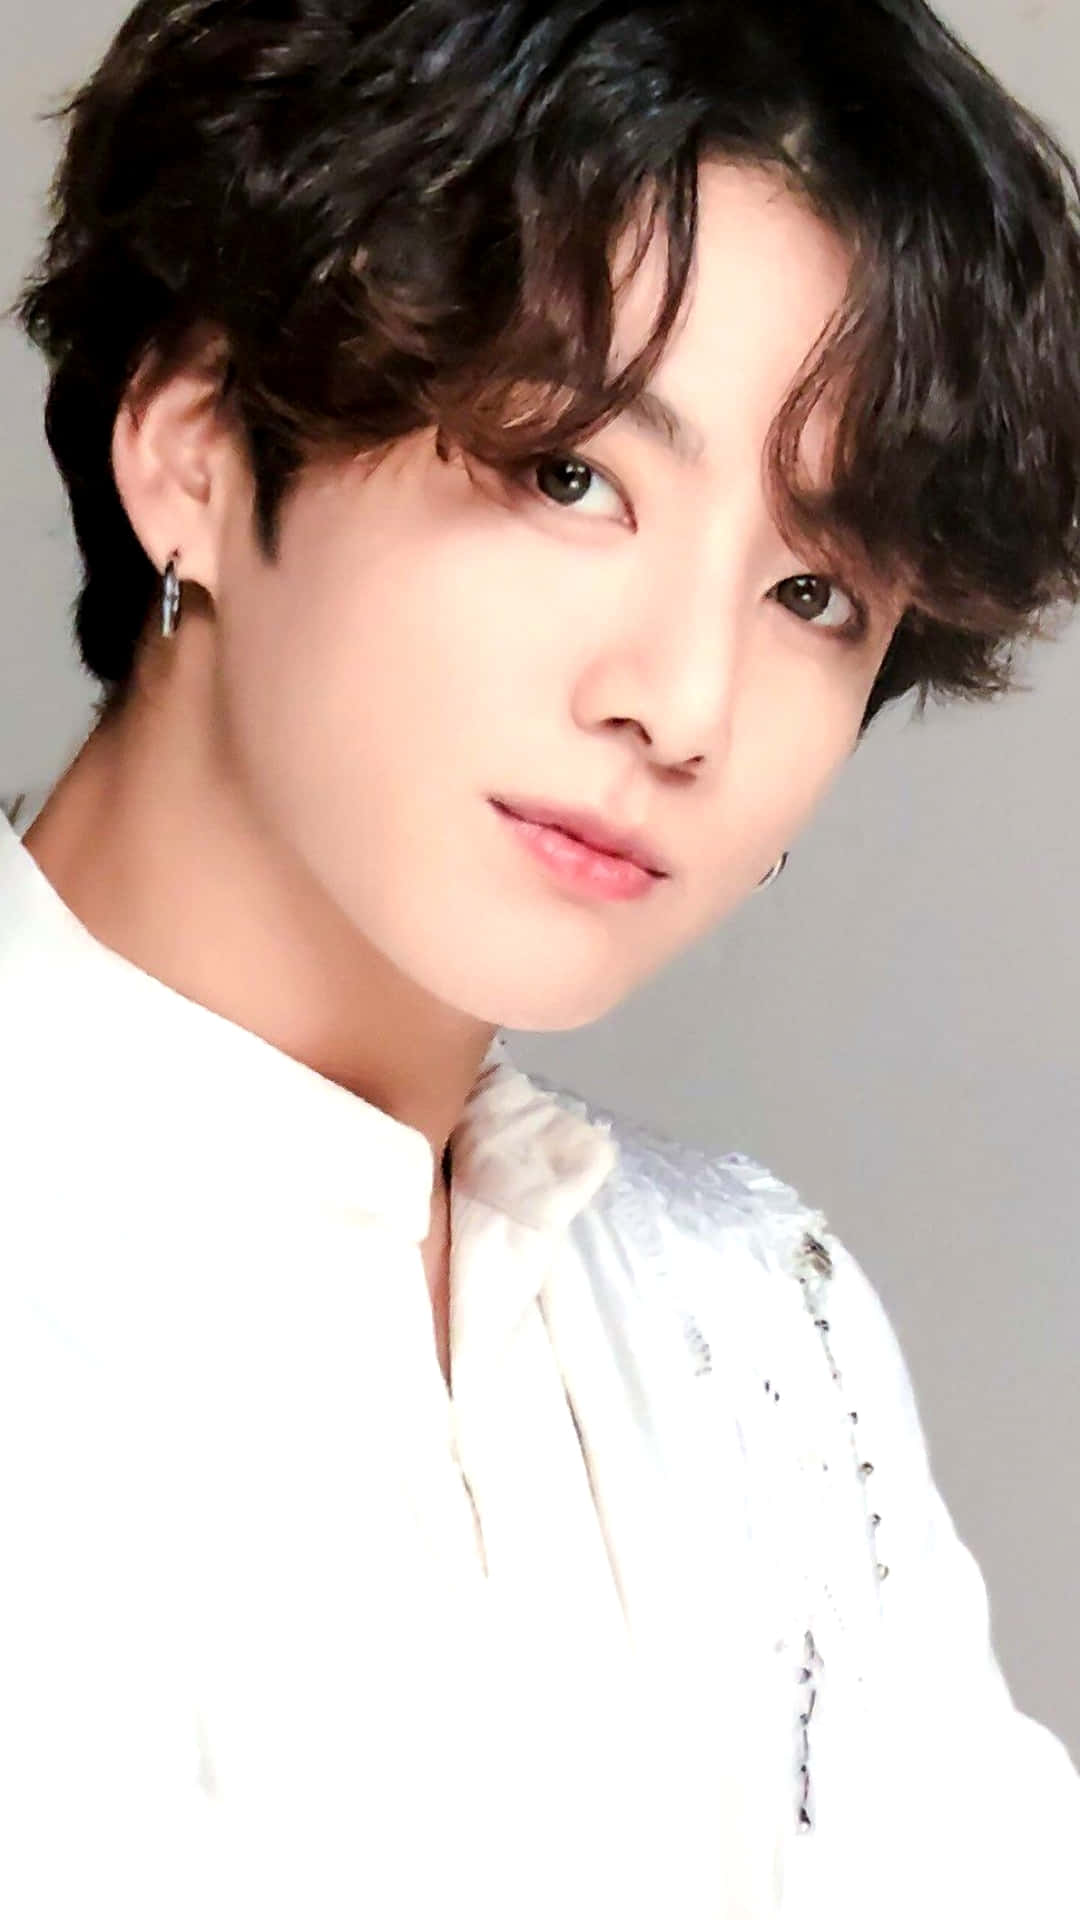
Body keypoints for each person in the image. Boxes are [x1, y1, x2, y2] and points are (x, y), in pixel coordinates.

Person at [2, 0, 1079, 1914]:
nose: (686, 702)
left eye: (813, 592)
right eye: (569, 475)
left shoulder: (761, 1336)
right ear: (193, 444)